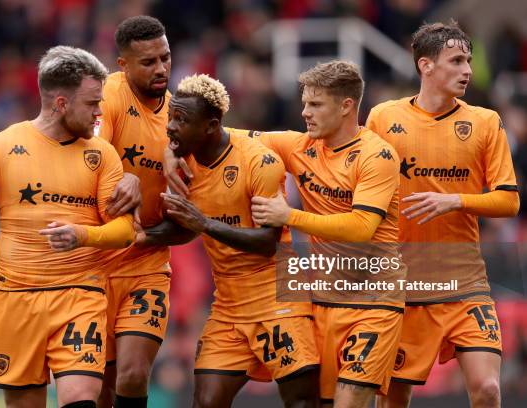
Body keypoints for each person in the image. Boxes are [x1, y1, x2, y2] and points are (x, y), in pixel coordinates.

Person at [0, 46, 135, 408]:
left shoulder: (102, 154)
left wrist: (83, 235)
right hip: (17, 299)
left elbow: (125, 229)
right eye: (92, 103)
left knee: (81, 399)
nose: (99, 112)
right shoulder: (1, 147)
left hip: (80, 294)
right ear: (61, 103)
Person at [366, 21, 519, 408]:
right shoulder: (383, 119)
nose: (468, 69)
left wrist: (456, 201)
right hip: (404, 286)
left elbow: (508, 201)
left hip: (464, 283)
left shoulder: (485, 122)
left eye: (468, 60)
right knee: (393, 399)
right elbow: (363, 190)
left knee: (487, 389)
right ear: (426, 66)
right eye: (456, 60)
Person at [244, 61, 404, 408]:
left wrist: (290, 216)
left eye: (315, 104)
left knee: (350, 402)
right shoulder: (299, 146)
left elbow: (362, 227)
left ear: (346, 105)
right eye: (304, 103)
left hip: (374, 302)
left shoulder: (378, 155)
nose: (305, 112)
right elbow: (227, 139)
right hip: (324, 303)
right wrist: (172, 147)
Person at [163, 73, 319, 407]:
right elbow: (185, 227)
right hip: (228, 306)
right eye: (171, 117)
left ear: (210, 126)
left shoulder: (259, 162)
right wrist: (138, 236)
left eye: (182, 119)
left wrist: (204, 223)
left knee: (301, 401)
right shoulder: (183, 161)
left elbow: (266, 241)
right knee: (205, 402)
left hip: (277, 298)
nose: (172, 127)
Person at [93, 15, 195, 408]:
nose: (161, 68)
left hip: (147, 264)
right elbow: (93, 154)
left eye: (165, 58)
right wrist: (127, 178)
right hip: (97, 259)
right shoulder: (109, 96)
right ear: (123, 65)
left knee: (133, 374)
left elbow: (192, 225)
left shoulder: (183, 116)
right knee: (103, 382)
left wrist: (146, 236)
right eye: (148, 62)